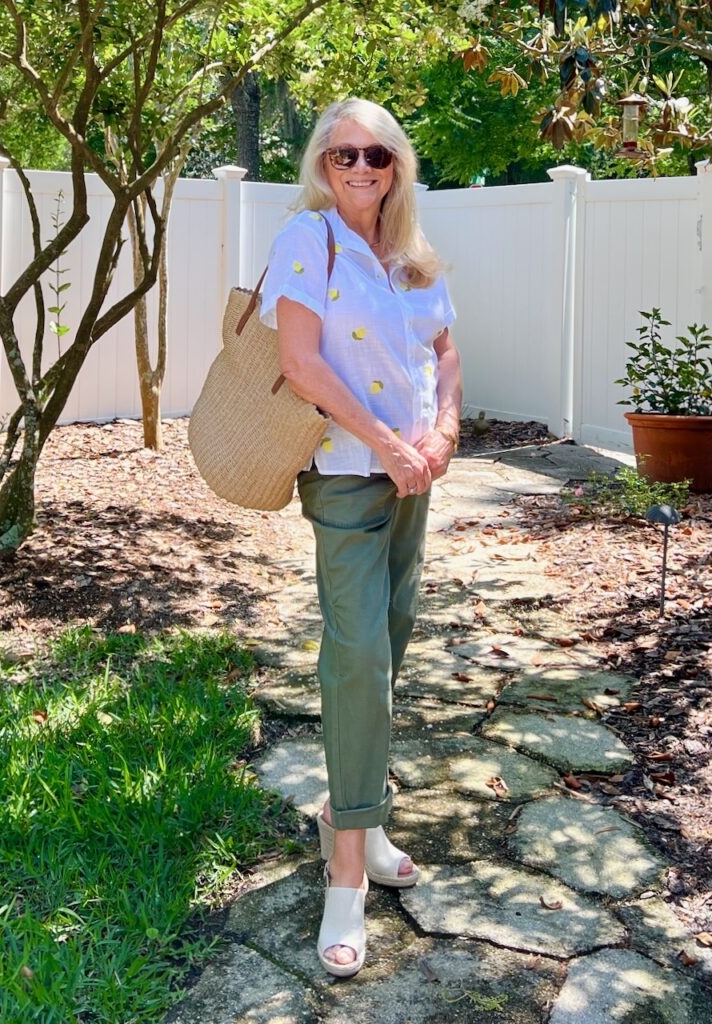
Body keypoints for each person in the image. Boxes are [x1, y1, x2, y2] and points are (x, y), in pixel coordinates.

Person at [260, 98, 462, 977]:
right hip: (348, 474)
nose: (360, 168)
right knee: (356, 658)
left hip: (415, 476)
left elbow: (445, 350)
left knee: (390, 642)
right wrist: (385, 445)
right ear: (322, 161)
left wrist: (444, 433)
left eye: (376, 154)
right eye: (344, 153)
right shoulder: (307, 241)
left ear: (397, 165)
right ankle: (346, 875)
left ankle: (367, 823)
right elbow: (298, 363)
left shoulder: (413, 255)